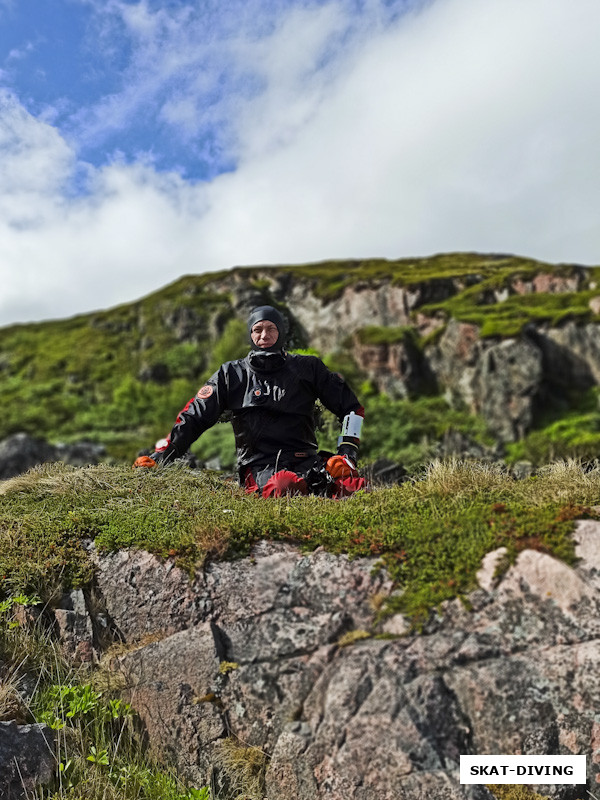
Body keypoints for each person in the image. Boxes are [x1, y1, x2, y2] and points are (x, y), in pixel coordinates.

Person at [133, 305, 367, 498]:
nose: (264, 336)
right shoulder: (231, 374)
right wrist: (162, 455)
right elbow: (195, 416)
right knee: (285, 486)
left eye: (271, 329)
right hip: (260, 468)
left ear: (281, 333)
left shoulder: (309, 368)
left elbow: (352, 409)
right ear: (250, 334)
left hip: (307, 461)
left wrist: (347, 454)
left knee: (353, 489)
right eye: (257, 330)